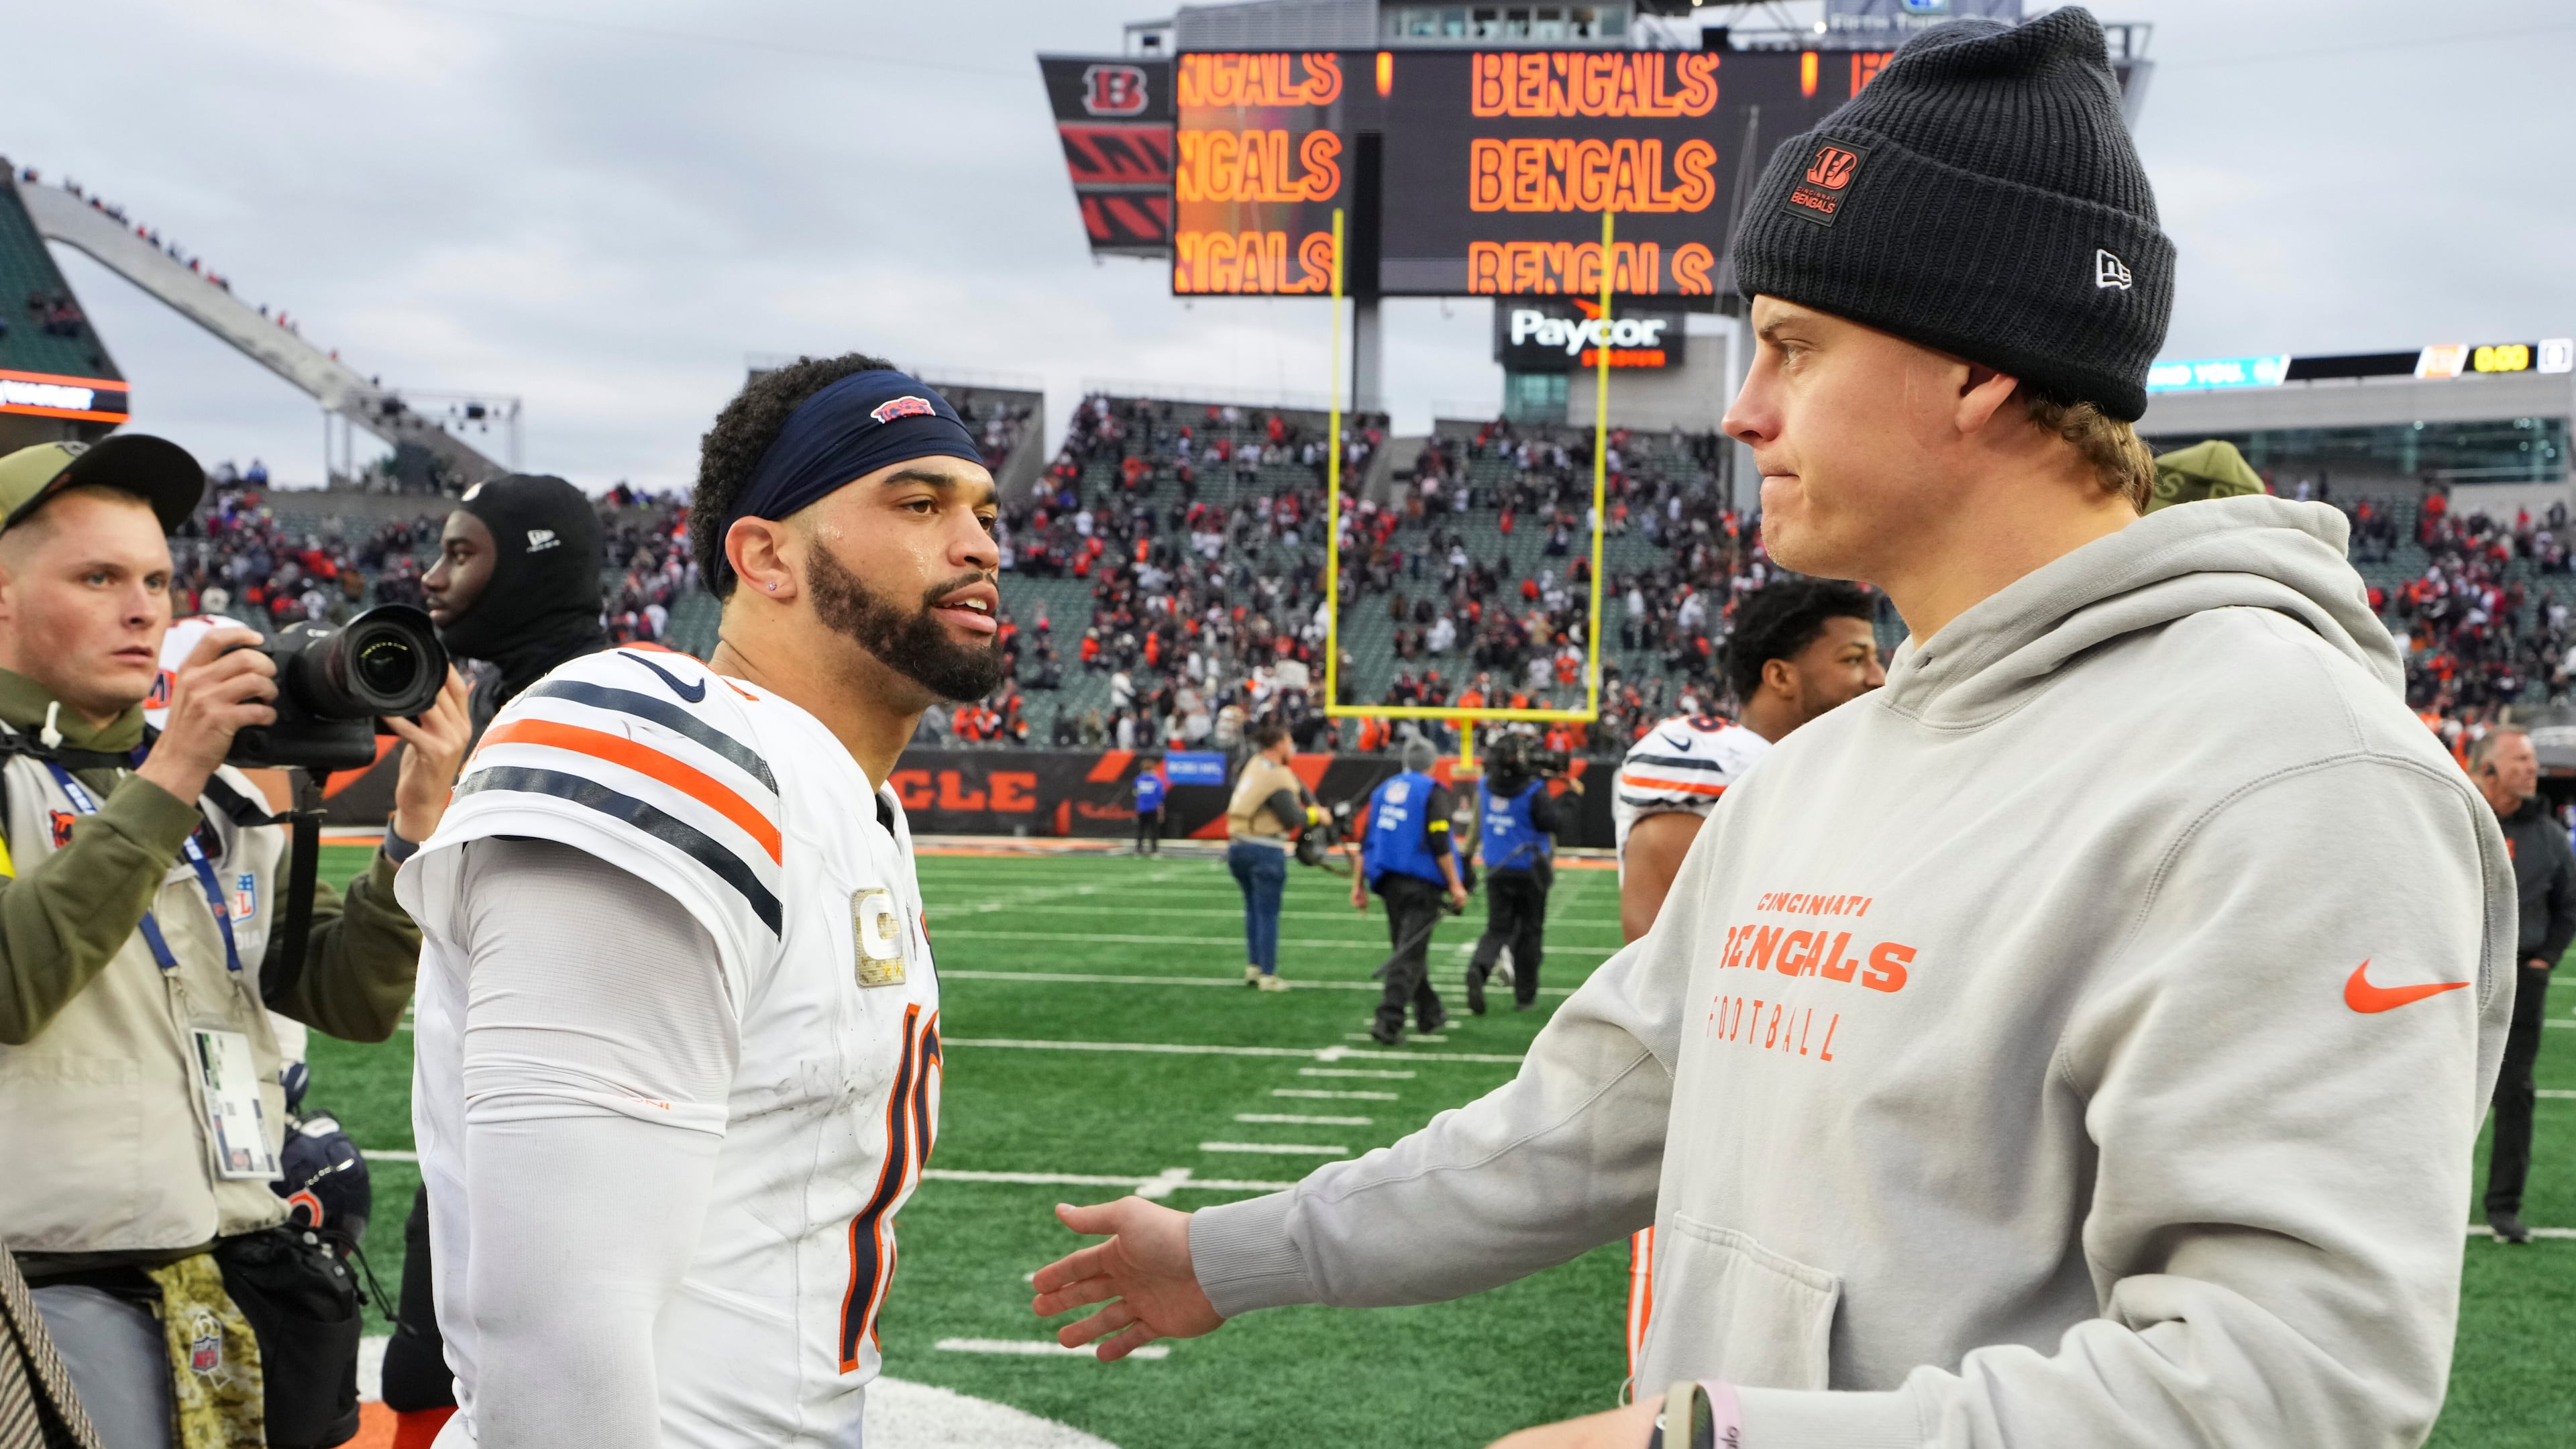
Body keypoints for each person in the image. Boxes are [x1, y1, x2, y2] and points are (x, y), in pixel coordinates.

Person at [1030, 13, 2514, 1446]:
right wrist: (1238, 1252)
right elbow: (1590, 1117)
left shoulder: (2296, 775)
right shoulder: (1830, 770)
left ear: (1978, 367)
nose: (1741, 411)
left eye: (1793, 347)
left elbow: (2291, 1387)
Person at [396, 356, 1007, 1446]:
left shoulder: (852, 801)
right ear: (765, 554)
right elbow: (555, 1336)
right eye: (918, 504)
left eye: (981, 510)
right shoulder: (656, 740)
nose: (979, 546)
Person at [0, 435, 470, 1449]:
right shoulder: (164, 781)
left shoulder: (215, 795)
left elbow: (348, 1001)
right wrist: (169, 777)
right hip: (47, 1298)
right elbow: (8, 983)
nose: (143, 609)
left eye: (158, 580)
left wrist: (412, 835)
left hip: (233, 1280)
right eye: (99, 577)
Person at [382, 473, 610, 1447]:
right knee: (424, 1365)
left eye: (464, 553)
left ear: (535, 563)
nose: (432, 579)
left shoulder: (592, 715)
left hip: (555, 1138)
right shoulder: (504, 699)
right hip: (479, 1123)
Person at [1616, 579, 1884, 943]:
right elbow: (1669, 978)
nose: (1879, 677)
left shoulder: (1857, 770)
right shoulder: (1709, 764)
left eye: (1876, 659)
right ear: (1780, 676)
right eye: (1854, 659)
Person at [2468, 725, 2576, 1245]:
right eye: (2521, 761)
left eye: (2533, 760)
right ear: (2488, 770)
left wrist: (2546, 960)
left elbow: (2568, 907)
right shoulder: (2459, 815)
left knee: (2516, 1092)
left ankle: (2503, 1206)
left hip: (2521, 980)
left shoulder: (2551, 837)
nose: (2533, 769)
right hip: (2453, 979)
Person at [1351, 737, 1469, 1046]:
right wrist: (1456, 884)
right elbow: (1440, 842)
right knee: (1409, 954)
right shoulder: (1431, 791)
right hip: (1421, 883)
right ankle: (1388, 1020)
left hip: (1388, 882)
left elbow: (1366, 842)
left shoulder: (1383, 791)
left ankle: (1430, 1012)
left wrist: (1357, 886)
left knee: (1408, 949)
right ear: (1432, 763)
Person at [1465, 733, 1563, 1015]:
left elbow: (1475, 827)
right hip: (1530, 869)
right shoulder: (1533, 790)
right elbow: (1551, 823)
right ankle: (1525, 996)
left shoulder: (1484, 785)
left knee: (1497, 929)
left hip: (1497, 867)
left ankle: (1479, 968)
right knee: (1530, 934)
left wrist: (1467, 857)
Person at [1225, 724, 1318, 991]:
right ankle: (1268, 974)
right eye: (1289, 742)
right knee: (1267, 912)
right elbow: (1292, 818)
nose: (1292, 748)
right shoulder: (1277, 776)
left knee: (1253, 909)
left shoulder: (1255, 764)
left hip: (1238, 847)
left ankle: (1254, 967)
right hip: (1264, 848)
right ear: (1278, 745)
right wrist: (1317, 815)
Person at [1134, 752, 1167, 856]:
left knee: (1141, 830)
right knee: (1154, 830)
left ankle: (1139, 850)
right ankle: (1154, 850)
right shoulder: (1157, 780)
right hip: (1153, 808)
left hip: (1141, 808)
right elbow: (1161, 794)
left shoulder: (1138, 780)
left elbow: (1135, 793)